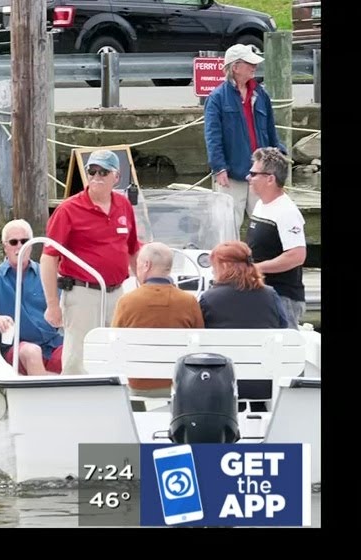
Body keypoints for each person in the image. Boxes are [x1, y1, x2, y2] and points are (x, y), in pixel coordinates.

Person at [41, 149, 141, 375]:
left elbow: (133, 249)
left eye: (103, 172)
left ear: (116, 177)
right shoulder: (68, 209)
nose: (96, 176)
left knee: (116, 352)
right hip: (82, 293)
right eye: (92, 171)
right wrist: (52, 304)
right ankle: (74, 394)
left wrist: (144, 287)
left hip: (117, 293)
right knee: (78, 357)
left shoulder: (124, 205)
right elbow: (48, 257)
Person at [0, 219, 63, 375]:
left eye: (24, 241)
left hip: (52, 343)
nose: (20, 247)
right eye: (14, 242)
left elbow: (68, 303)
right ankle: (42, 388)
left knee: (76, 353)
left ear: (31, 245)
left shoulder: (46, 275)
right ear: (5, 247)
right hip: (17, 348)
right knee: (32, 352)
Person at [203, 43, 286, 237]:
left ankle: (263, 257)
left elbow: (270, 129)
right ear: (235, 67)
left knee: (266, 225)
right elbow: (212, 136)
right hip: (232, 173)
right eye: (249, 63)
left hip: (262, 172)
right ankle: (231, 258)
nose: (254, 67)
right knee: (228, 227)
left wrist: (279, 156)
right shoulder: (216, 98)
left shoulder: (261, 94)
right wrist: (219, 168)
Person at [199, 240, 292, 401]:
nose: (213, 271)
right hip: (265, 381)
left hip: (221, 382)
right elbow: (283, 327)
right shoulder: (270, 295)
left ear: (224, 266)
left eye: (214, 266)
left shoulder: (209, 298)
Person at [111, 242, 205, 396]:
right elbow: (200, 342)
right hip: (179, 384)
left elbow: (115, 343)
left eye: (138, 264)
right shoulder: (188, 302)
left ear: (146, 265)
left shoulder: (127, 301)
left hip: (137, 384)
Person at [246, 147, 307, 324]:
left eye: (253, 174)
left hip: (283, 297)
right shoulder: (261, 205)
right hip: (262, 292)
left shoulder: (287, 212)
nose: (248, 177)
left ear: (270, 179)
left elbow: (296, 256)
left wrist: (256, 268)